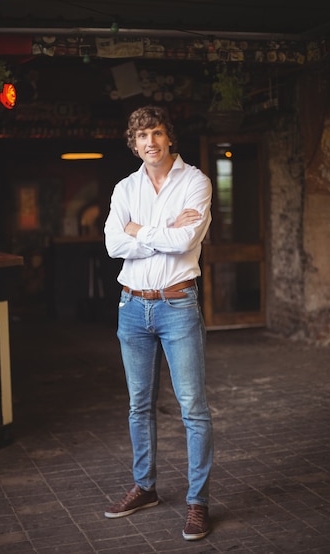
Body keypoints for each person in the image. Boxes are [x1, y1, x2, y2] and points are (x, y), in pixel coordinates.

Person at [104, 105, 213, 541]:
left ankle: (198, 503)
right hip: (131, 306)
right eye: (141, 136)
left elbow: (186, 239)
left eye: (156, 133)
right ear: (133, 144)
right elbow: (113, 244)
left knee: (193, 409)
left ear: (169, 138)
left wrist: (139, 230)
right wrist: (161, 228)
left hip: (177, 304)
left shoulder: (196, 181)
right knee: (138, 406)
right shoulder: (125, 187)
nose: (149, 141)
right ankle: (145, 487)